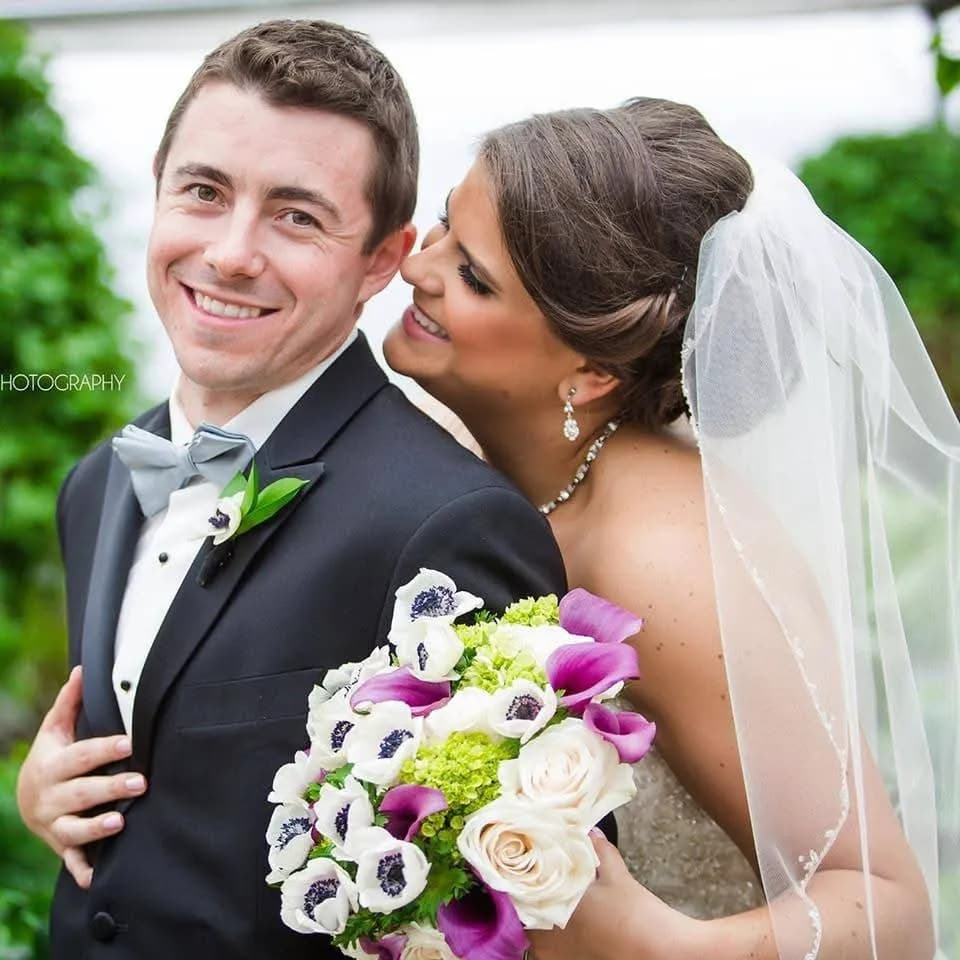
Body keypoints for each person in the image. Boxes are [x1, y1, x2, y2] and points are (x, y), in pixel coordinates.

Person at [15, 20, 567, 960]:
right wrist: (45, 795)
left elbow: (531, 908)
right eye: (203, 192)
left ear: (383, 262)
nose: (230, 253)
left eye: (297, 216)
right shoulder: (98, 482)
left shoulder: (447, 527)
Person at [384, 98, 959, 959]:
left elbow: (887, 908)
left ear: (591, 372)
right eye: (441, 228)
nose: (416, 270)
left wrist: (657, 946)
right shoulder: (466, 454)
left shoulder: (665, 559)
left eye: (472, 276)